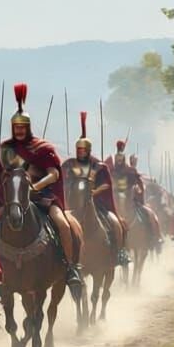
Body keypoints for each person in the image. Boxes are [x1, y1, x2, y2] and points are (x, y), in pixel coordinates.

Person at [0, 83, 82, 286]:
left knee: (63, 224)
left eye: (22, 127)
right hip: (10, 199)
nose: (19, 130)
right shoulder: (4, 149)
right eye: (16, 127)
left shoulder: (42, 148)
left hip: (42, 197)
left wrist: (37, 186)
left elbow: (54, 174)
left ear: (28, 127)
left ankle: (70, 267)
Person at [62, 112, 129, 266]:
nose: (80, 152)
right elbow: (63, 181)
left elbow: (106, 184)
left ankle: (119, 252)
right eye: (79, 150)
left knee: (114, 223)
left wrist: (93, 192)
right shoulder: (69, 165)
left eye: (83, 150)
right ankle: (61, 259)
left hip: (97, 203)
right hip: (73, 203)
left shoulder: (98, 166)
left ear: (89, 150)